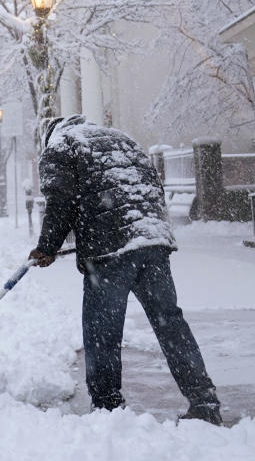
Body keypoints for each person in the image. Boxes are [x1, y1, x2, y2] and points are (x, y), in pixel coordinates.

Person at [27, 114, 222, 425]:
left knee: (101, 331)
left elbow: (61, 201)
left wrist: (48, 247)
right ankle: (204, 401)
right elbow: (147, 186)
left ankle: (107, 409)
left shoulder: (60, 145)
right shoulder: (120, 138)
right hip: (152, 238)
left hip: (110, 250)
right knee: (170, 324)